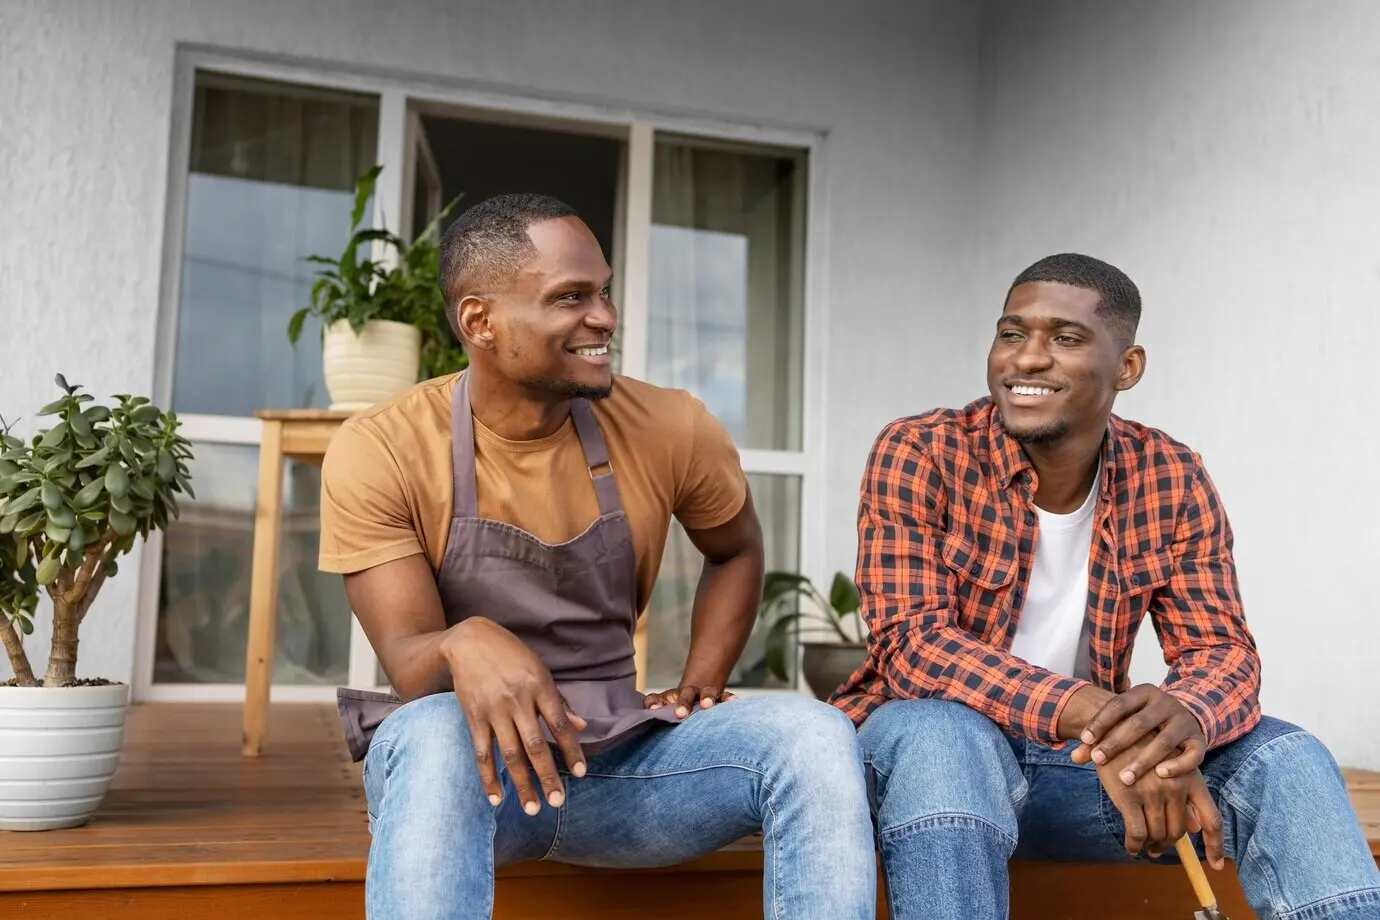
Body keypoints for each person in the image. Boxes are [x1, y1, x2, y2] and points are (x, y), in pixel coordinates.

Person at [319, 193, 876, 920]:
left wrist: (700, 682)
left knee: (817, 734)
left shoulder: (670, 424)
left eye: (604, 292)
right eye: (570, 298)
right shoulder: (384, 447)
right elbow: (406, 656)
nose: (605, 317)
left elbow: (736, 548)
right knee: (426, 732)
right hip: (467, 775)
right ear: (479, 322)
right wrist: (464, 641)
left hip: (624, 767)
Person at [833, 253, 1380, 920]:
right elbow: (914, 647)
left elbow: (1222, 653)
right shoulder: (922, 451)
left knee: (1287, 757)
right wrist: (1102, 716)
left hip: (1085, 768)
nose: (1027, 359)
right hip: (930, 774)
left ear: (1128, 367)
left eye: (1065, 338)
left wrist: (1178, 729)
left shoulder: (1170, 474)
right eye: (1012, 334)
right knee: (944, 735)